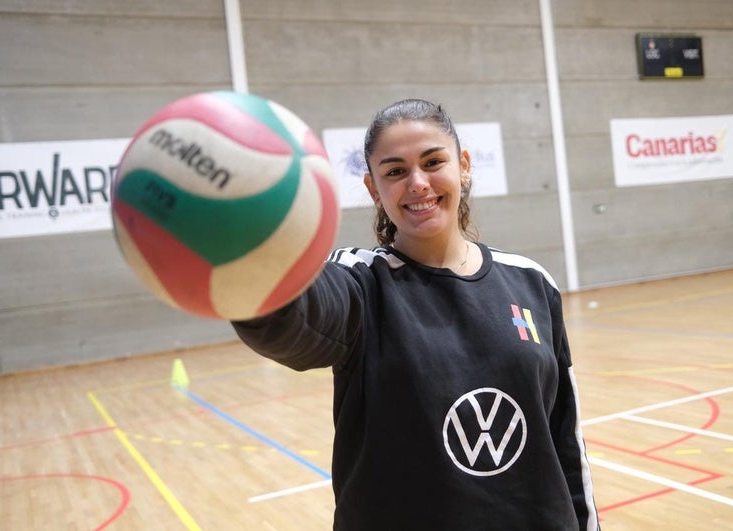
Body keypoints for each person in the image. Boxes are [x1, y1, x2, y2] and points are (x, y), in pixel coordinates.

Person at [232, 98, 600, 530]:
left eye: (432, 161)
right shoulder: (360, 283)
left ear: (463, 165)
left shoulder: (530, 282)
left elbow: (566, 441)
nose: (418, 183)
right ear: (374, 189)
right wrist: (247, 259)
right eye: (395, 171)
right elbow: (292, 321)